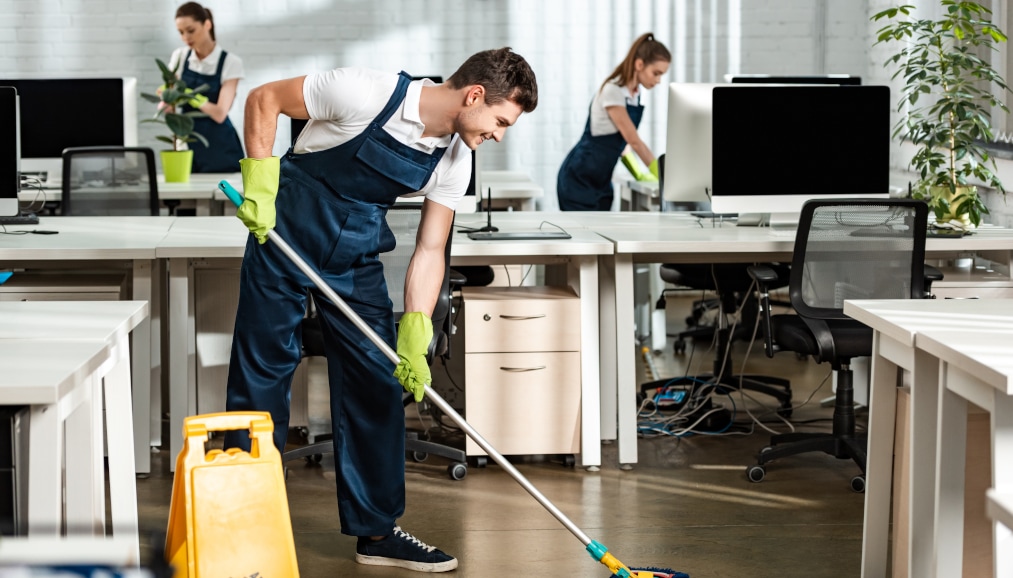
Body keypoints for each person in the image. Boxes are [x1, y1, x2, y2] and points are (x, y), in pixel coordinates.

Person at [223, 48, 538, 572]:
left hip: (357, 254)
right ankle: (240, 527)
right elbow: (264, 99)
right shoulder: (365, 91)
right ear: (475, 96)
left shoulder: (456, 157)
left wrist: (414, 331)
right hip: (284, 234)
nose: (499, 134)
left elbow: (431, 249)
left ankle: (376, 530)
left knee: (376, 382)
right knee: (260, 375)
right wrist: (260, 183)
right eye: (501, 121)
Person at [556, 33, 670, 211]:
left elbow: (622, 143)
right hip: (579, 178)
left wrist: (638, 173)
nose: (658, 80)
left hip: (601, 180)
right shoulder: (613, 91)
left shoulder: (634, 96)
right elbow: (633, 141)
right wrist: (663, 177)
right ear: (639, 64)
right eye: (656, 73)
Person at [164, 1, 245, 172]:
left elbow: (220, 114)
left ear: (207, 24)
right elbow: (168, 95)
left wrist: (191, 98)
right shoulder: (180, 56)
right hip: (188, 141)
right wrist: (165, 100)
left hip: (220, 146)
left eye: (190, 30)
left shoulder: (230, 62)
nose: (186, 37)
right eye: (181, 32)